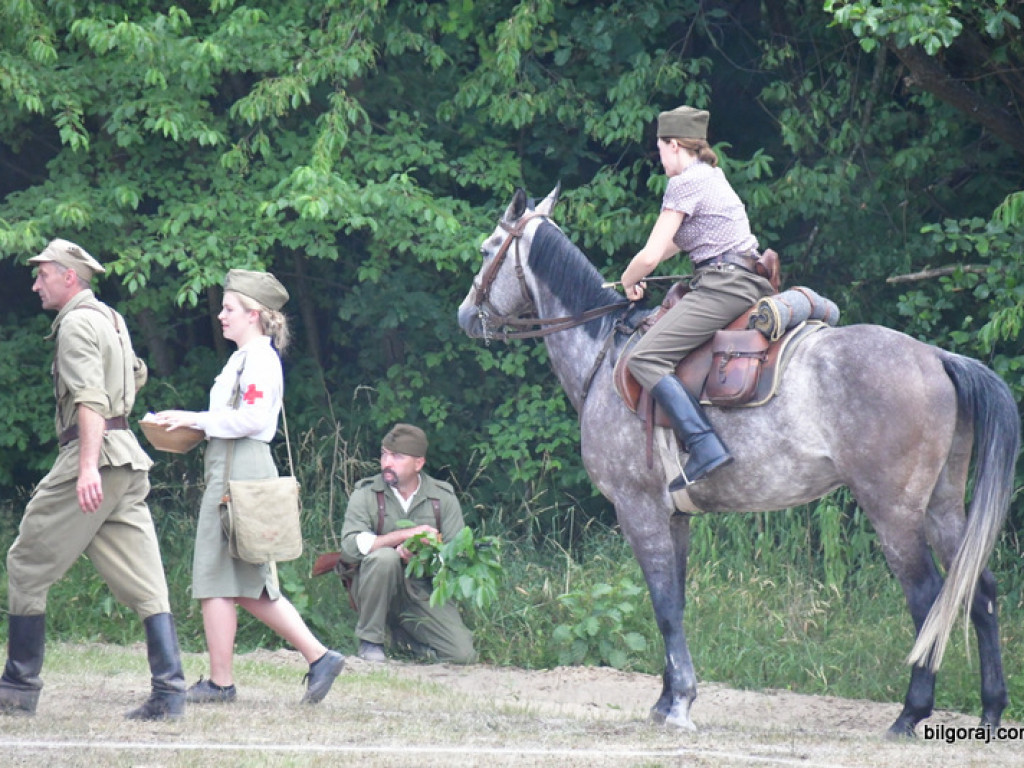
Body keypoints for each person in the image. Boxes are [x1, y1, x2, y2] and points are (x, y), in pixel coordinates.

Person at [0, 239, 186, 720]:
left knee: (25, 562)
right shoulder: (111, 319)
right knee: (146, 580)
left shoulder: (77, 325)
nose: (36, 283)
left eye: (43, 274)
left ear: (69, 277)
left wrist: (85, 467)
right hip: (127, 459)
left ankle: (18, 687)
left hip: (97, 454)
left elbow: (89, 401)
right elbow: (136, 373)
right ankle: (169, 693)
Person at [153, 268, 344, 704]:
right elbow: (232, 419)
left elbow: (254, 421)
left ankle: (228, 683)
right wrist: (187, 423)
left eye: (229, 308)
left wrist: (194, 419)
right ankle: (313, 659)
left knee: (225, 579)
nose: (221, 316)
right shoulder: (242, 358)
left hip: (241, 469)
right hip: (229, 466)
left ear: (254, 314)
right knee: (231, 581)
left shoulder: (258, 359)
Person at [620, 105, 776, 490]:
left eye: (659, 149)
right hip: (740, 278)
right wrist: (643, 269)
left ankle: (704, 444)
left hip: (724, 285)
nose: (659, 158)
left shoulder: (684, 182)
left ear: (674, 145)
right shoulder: (710, 176)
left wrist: (628, 278)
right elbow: (674, 244)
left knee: (644, 357)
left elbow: (652, 254)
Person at [339, 424, 476, 664]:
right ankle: (371, 641)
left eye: (397, 456)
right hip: (374, 585)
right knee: (385, 558)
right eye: (384, 454)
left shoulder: (442, 498)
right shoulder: (367, 493)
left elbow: (458, 558)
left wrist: (425, 557)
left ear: (418, 464)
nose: (387, 462)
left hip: (422, 589)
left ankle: (403, 642)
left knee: (462, 656)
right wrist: (405, 536)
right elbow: (351, 546)